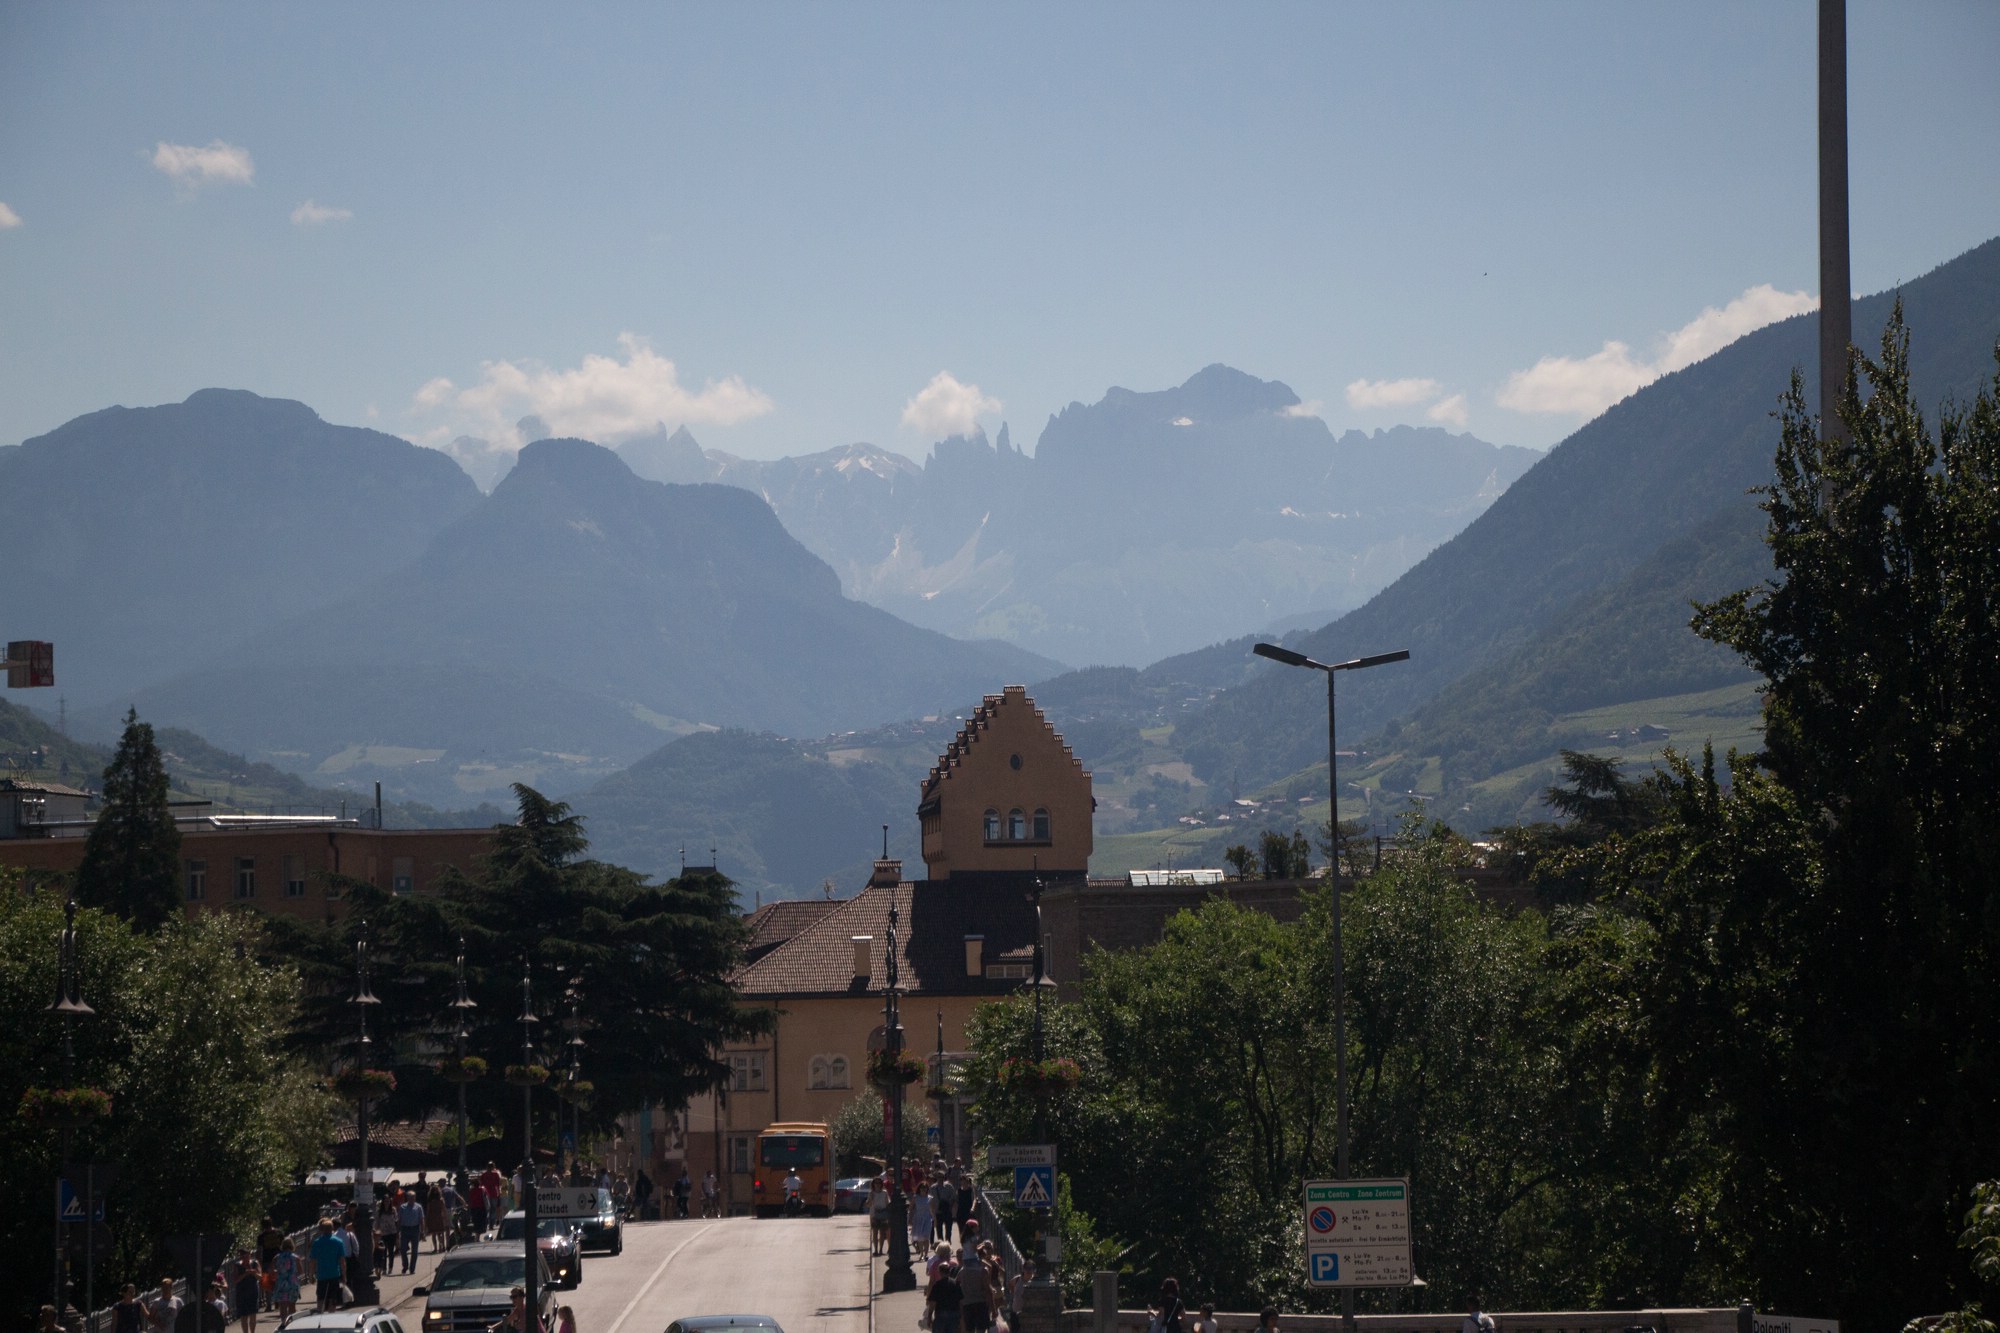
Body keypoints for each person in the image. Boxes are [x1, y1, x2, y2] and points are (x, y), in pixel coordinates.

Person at [309, 1220, 347, 1312]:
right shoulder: (338, 1242)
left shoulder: (317, 1243)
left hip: (321, 1275)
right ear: (332, 1229)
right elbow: (342, 1261)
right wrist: (344, 1275)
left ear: (321, 1230)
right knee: (332, 1298)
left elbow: (313, 1261)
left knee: (321, 1297)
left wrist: (311, 1275)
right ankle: (331, 1315)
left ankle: (320, 1313)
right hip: (334, 1274)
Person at [926, 1247, 963, 1333]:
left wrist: (929, 1316)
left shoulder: (937, 1285)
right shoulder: (955, 1284)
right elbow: (960, 1301)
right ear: (949, 1271)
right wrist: (961, 1316)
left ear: (940, 1272)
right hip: (954, 1314)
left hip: (940, 1314)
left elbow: (933, 1303)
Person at [270, 1239, 302, 1322]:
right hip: (293, 1283)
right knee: (292, 1305)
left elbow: (272, 1271)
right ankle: (292, 1324)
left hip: (281, 1284)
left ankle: (284, 1322)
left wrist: (279, 1272)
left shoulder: (276, 1257)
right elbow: (301, 1271)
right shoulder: (296, 1257)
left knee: (283, 1305)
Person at [233, 1251, 263, 1333]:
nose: (245, 1258)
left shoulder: (255, 1263)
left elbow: (260, 1277)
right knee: (244, 1316)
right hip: (241, 1292)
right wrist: (245, 1274)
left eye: (246, 1256)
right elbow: (235, 1281)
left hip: (252, 1291)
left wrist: (254, 1273)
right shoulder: (237, 1265)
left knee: (253, 1313)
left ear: (249, 1255)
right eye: (243, 1256)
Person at [398, 1191, 426, 1274]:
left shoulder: (418, 1207)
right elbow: (399, 1219)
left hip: (415, 1229)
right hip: (405, 1229)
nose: (412, 1199)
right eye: (410, 1197)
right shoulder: (403, 1207)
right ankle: (405, 1265)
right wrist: (398, 1231)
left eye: (413, 1197)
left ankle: (412, 1268)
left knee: (414, 1251)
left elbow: (421, 1219)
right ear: (407, 1198)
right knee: (403, 1249)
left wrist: (422, 1231)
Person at [931, 1171, 958, 1247]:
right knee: (939, 1230)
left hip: (947, 1211)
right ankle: (941, 1246)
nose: (940, 1179)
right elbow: (930, 1200)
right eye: (939, 1177)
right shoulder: (933, 1188)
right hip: (938, 1212)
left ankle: (948, 1244)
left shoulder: (949, 1186)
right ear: (936, 1178)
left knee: (948, 1230)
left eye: (942, 1177)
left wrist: (950, 1205)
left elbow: (954, 1198)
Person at [374, 1198, 398, 1279]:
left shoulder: (393, 1210)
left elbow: (396, 1220)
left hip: (392, 1232)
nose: (387, 1203)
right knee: (383, 1251)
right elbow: (376, 1222)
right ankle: (384, 1268)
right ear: (383, 1202)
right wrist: (375, 1231)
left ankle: (390, 1267)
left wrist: (397, 1232)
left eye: (388, 1201)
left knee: (391, 1251)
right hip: (383, 1233)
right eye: (385, 1201)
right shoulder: (379, 1211)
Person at [868, 1173, 891, 1255]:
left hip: (883, 1214)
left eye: (879, 1183)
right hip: (874, 1214)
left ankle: (881, 1249)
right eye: (875, 1183)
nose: (877, 1185)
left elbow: (887, 1203)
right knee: (874, 1232)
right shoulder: (871, 1193)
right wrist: (871, 1199)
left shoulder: (884, 1193)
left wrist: (888, 1214)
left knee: (882, 1233)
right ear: (873, 1184)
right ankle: (876, 1250)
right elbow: (868, 1204)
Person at [909, 1178, 934, 1250]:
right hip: (918, 1219)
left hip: (927, 1219)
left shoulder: (930, 1198)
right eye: (922, 1188)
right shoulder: (915, 1197)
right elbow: (910, 1208)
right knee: (918, 1237)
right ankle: (921, 1252)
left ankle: (925, 1253)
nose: (923, 1189)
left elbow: (932, 1210)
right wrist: (910, 1219)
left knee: (926, 1237)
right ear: (919, 1189)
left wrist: (934, 1220)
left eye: (925, 1188)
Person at [426, 1182, 450, 1253]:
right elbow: (444, 1210)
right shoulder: (441, 1200)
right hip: (440, 1217)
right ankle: (441, 1247)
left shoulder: (430, 1201)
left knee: (434, 1234)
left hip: (432, 1217)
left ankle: (435, 1248)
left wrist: (427, 1220)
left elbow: (428, 1211)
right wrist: (447, 1218)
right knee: (440, 1233)